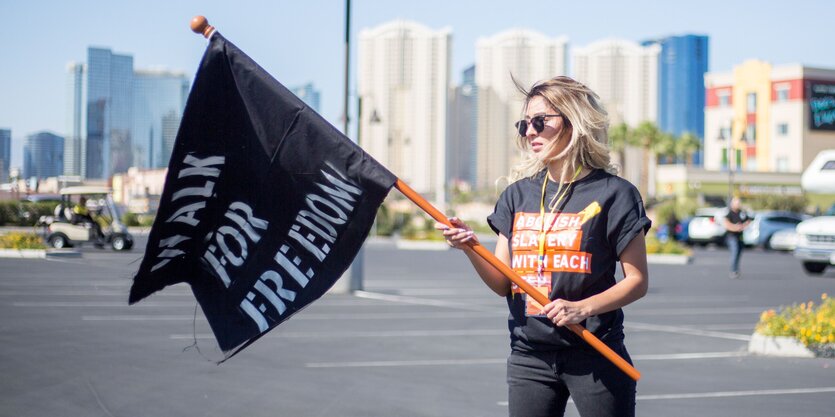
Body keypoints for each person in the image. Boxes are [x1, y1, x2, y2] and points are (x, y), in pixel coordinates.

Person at [437, 76, 650, 417]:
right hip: (529, 355)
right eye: (524, 124)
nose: (530, 132)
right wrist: (471, 248)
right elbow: (503, 283)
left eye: (540, 121)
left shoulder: (615, 194)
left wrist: (583, 308)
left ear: (574, 122)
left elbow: (637, 281)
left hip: (595, 353)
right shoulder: (517, 195)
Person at [723, 197, 750, 279]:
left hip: (740, 237)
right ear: (732, 204)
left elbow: (748, 221)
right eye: (736, 203)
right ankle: (733, 270)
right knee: (734, 252)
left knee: (738, 254)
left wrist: (742, 226)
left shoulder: (742, 213)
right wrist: (735, 228)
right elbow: (726, 224)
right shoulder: (730, 213)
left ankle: (736, 269)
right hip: (732, 236)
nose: (737, 204)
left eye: (738, 203)